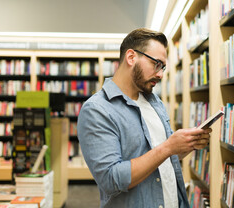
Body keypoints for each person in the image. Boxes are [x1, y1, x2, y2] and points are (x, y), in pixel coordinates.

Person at [77, 28, 212, 208]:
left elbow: (164, 155)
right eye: (156, 64)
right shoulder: (97, 110)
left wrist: (187, 144)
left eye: (163, 67)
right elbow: (111, 179)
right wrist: (168, 147)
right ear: (131, 57)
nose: (160, 74)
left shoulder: (154, 101)